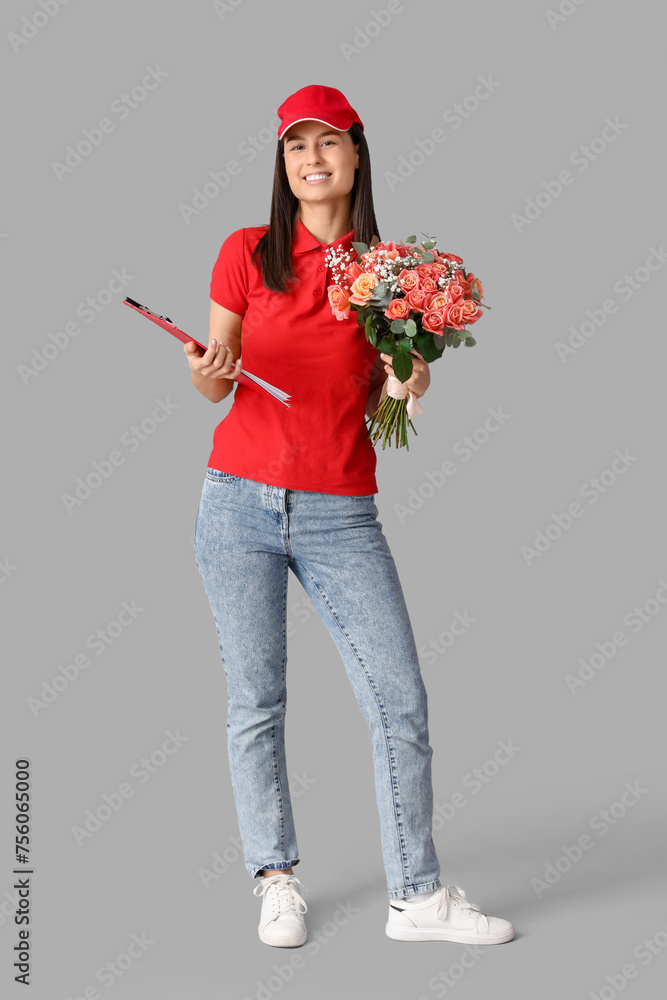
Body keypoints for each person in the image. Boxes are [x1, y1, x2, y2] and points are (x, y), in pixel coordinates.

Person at [184, 84, 515, 949]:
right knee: (255, 702)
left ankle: (416, 897)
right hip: (236, 502)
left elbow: (392, 387)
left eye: (327, 143)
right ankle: (275, 879)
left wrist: (412, 375)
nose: (311, 159)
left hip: (340, 509)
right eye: (295, 147)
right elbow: (217, 383)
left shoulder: (387, 272)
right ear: (281, 164)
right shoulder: (246, 253)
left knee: (397, 699)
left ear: (357, 154)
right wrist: (209, 368)